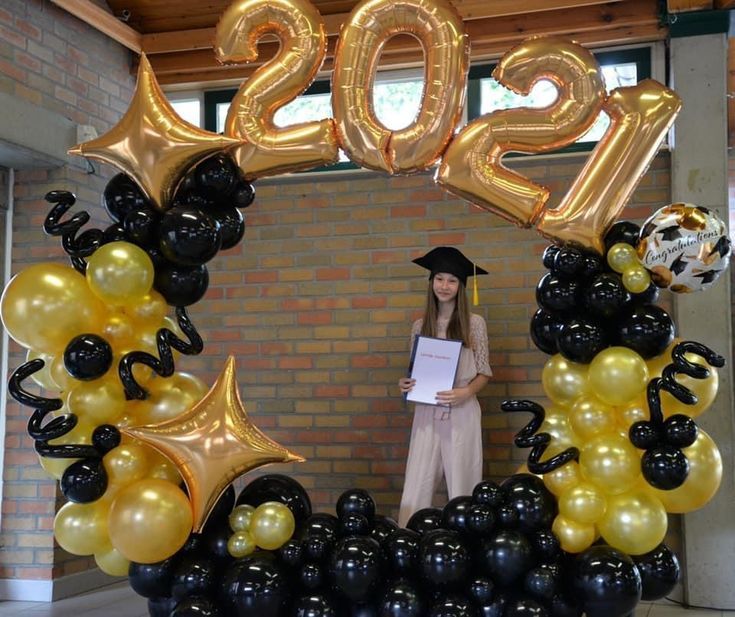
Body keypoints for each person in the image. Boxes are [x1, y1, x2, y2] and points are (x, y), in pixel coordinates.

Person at [397, 246, 492, 527]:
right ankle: (407, 536)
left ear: (461, 286)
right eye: (439, 279)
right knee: (417, 480)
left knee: (463, 481)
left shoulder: (474, 324)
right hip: (427, 412)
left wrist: (464, 392)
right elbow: (415, 373)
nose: (445, 286)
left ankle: (466, 540)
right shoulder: (419, 325)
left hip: (462, 411)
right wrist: (406, 384)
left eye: (452, 280)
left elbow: (484, 372)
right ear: (431, 282)